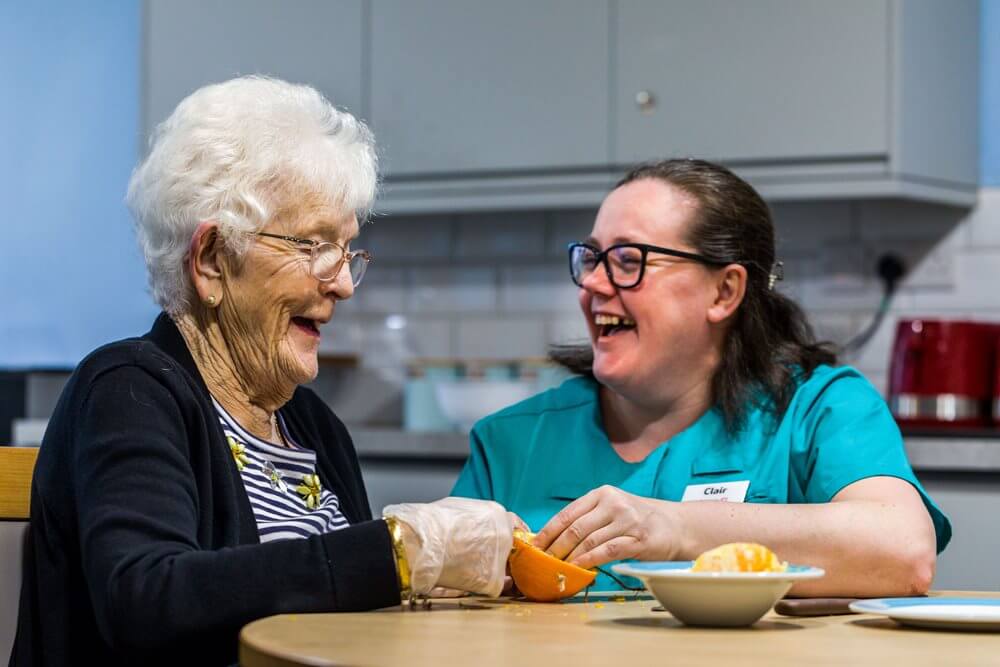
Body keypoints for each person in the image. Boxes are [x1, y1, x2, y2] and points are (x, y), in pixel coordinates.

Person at [12, 76, 513, 667]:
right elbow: (145, 599)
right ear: (211, 260)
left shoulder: (313, 425)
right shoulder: (130, 390)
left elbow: (347, 611)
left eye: (346, 250)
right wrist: (401, 551)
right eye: (315, 246)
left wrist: (436, 579)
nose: (344, 284)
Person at [452, 159, 950, 596]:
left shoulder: (820, 410)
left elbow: (903, 551)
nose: (595, 285)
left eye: (628, 261)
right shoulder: (513, 441)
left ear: (724, 292)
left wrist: (673, 527)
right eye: (592, 258)